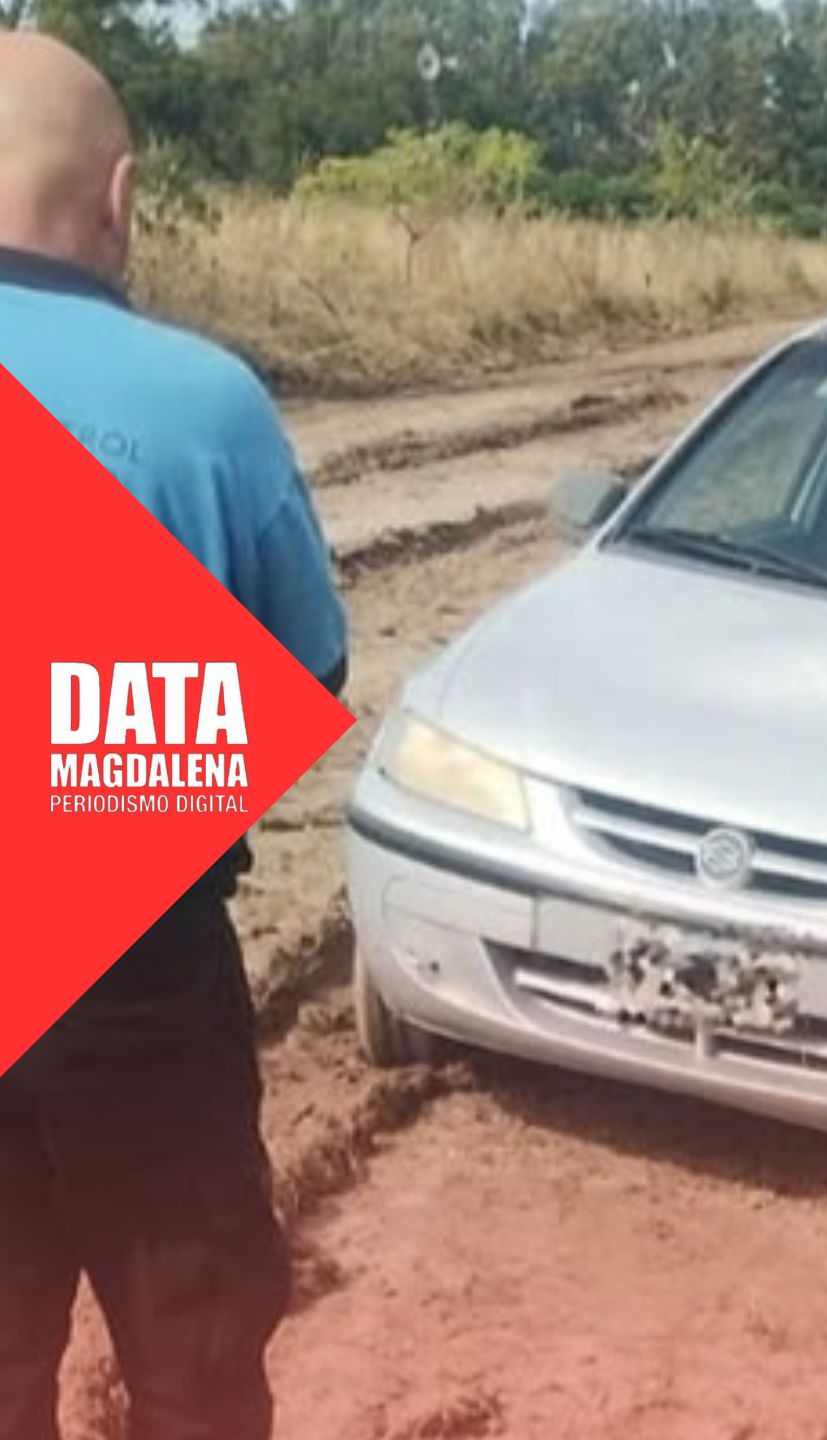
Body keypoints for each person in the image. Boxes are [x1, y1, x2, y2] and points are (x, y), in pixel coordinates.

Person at [0, 33, 347, 1440]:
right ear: (119, 196)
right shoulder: (206, 401)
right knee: (193, 1351)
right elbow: (307, 665)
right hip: (132, 964)